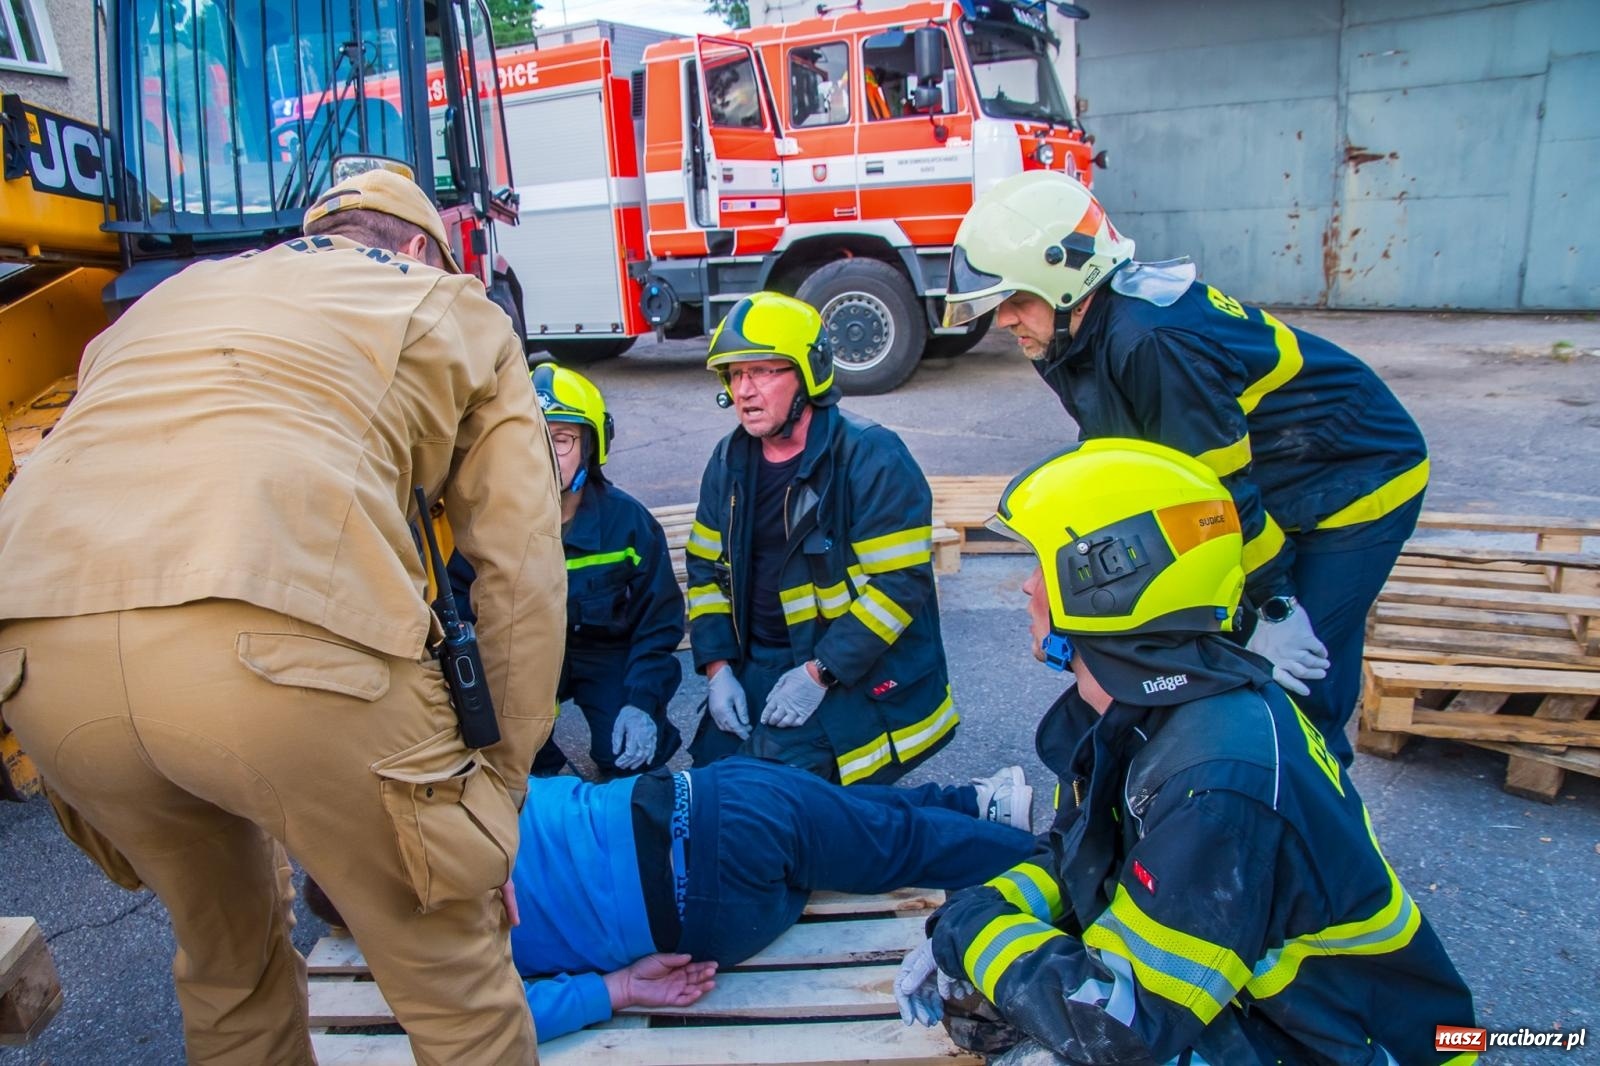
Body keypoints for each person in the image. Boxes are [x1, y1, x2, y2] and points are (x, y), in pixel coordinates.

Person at [0, 167, 566, 1065]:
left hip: (40, 662)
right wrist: (490, 795)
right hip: (285, 646)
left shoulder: (169, 300)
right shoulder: (447, 300)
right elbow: (521, 571)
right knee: (454, 984)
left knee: (227, 971)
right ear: (419, 248)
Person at [893, 439, 1476, 1065]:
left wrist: (969, 931)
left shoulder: (1214, 781)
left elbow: (1123, 1027)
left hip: (1349, 1047)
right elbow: (1081, 857)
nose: (1027, 586)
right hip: (1283, 1010)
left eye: (1043, 564)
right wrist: (993, 907)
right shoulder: (1150, 711)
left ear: (1106, 586)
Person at [944, 171, 1430, 765]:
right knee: (1238, 642)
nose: (1005, 320)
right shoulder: (1070, 336)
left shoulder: (1151, 340)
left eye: (1017, 301)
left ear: (1068, 280)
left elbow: (1218, 493)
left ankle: (1314, 807)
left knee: (1301, 671)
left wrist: (1273, 605)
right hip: (1272, 471)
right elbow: (1133, 456)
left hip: (1353, 478)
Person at [308, 757, 1038, 1042]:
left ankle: (972, 806)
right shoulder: (465, 813)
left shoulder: (425, 965)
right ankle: (1054, 866)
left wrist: (618, 989)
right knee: (874, 836)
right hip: (714, 820)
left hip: (717, 926)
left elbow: (499, 1018)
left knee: (845, 825)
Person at [685, 291, 960, 787]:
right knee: (709, 781)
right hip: (765, 660)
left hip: (851, 670)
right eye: (736, 374)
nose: (745, 390)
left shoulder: (869, 456)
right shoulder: (728, 461)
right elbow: (706, 570)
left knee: (769, 799)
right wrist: (718, 669)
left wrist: (819, 672)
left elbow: (899, 586)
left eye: (765, 371)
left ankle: (972, 806)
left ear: (810, 372)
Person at [450, 363, 684, 777]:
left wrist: (642, 704)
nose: (545, 455)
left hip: (603, 654)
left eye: (561, 439)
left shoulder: (628, 524)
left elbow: (658, 625)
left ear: (592, 447)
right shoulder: (487, 527)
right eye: (532, 438)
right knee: (521, 766)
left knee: (627, 758)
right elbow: (458, 617)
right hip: (525, 658)